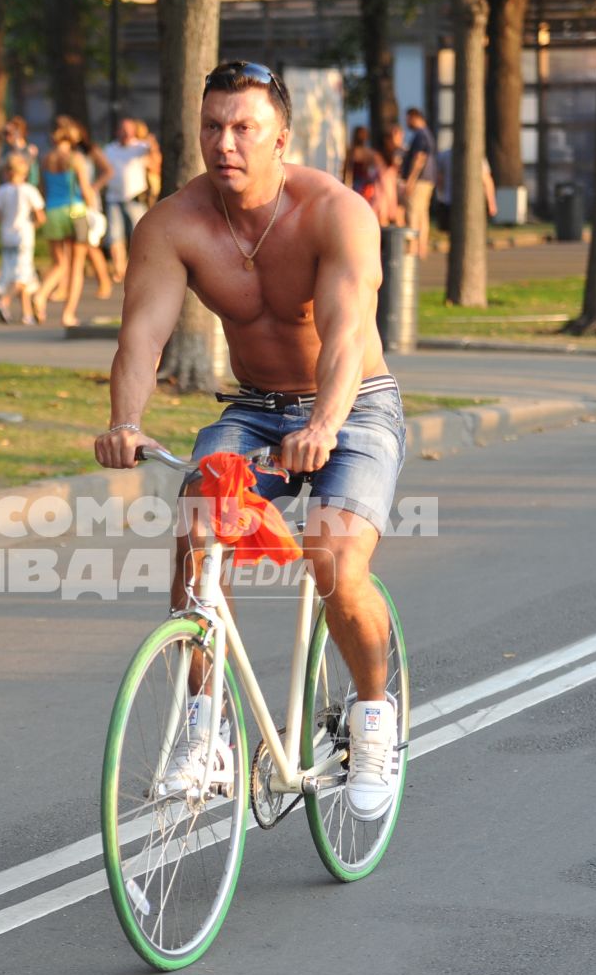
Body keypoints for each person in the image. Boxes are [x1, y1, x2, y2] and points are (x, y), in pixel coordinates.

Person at [96, 61, 407, 822]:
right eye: (212, 126)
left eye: (244, 128)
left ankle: (374, 717)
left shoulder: (335, 213)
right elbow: (143, 334)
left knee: (333, 557)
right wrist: (126, 421)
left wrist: (325, 425)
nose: (224, 142)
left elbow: (344, 336)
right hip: (254, 408)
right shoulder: (176, 224)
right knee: (196, 530)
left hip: (354, 405)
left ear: (282, 139)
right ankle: (208, 731)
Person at [32, 115, 96, 327]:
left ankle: (41, 295)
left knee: (59, 263)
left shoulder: (46, 159)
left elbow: (42, 188)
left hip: (52, 211)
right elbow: (86, 189)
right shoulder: (75, 159)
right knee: (77, 265)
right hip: (75, 210)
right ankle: (68, 314)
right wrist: (94, 209)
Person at [0, 154, 45, 323]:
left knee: (16, 274)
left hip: (7, 236)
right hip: (24, 236)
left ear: (7, 172)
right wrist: (33, 225)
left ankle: (27, 315)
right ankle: (4, 301)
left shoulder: (2, 191)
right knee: (23, 275)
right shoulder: (29, 190)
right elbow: (40, 216)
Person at [102, 116, 153, 283]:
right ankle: (119, 268)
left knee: (138, 234)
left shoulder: (141, 147)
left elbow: (155, 161)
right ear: (117, 131)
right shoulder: (109, 149)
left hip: (135, 197)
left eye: (128, 130)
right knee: (115, 236)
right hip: (114, 198)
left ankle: (138, 267)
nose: (125, 133)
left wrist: (151, 144)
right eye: (122, 130)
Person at [76, 126, 115, 298]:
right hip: (72, 202)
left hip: (87, 202)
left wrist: (94, 187)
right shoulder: (66, 154)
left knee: (89, 245)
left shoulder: (90, 151)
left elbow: (108, 170)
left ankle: (104, 281)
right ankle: (65, 287)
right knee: (73, 247)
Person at [400, 107, 436, 258]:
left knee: (413, 213)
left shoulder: (420, 135)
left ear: (414, 117)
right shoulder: (427, 134)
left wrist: (410, 180)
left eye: (408, 119)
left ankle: (412, 247)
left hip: (420, 180)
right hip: (428, 179)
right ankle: (422, 247)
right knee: (423, 214)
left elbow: (419, 158)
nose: (407, 122)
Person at [343, 124, 376, 196]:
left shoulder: (368, 152)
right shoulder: (352, 151)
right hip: (355, 183)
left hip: (364, 184)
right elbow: (347, 169)